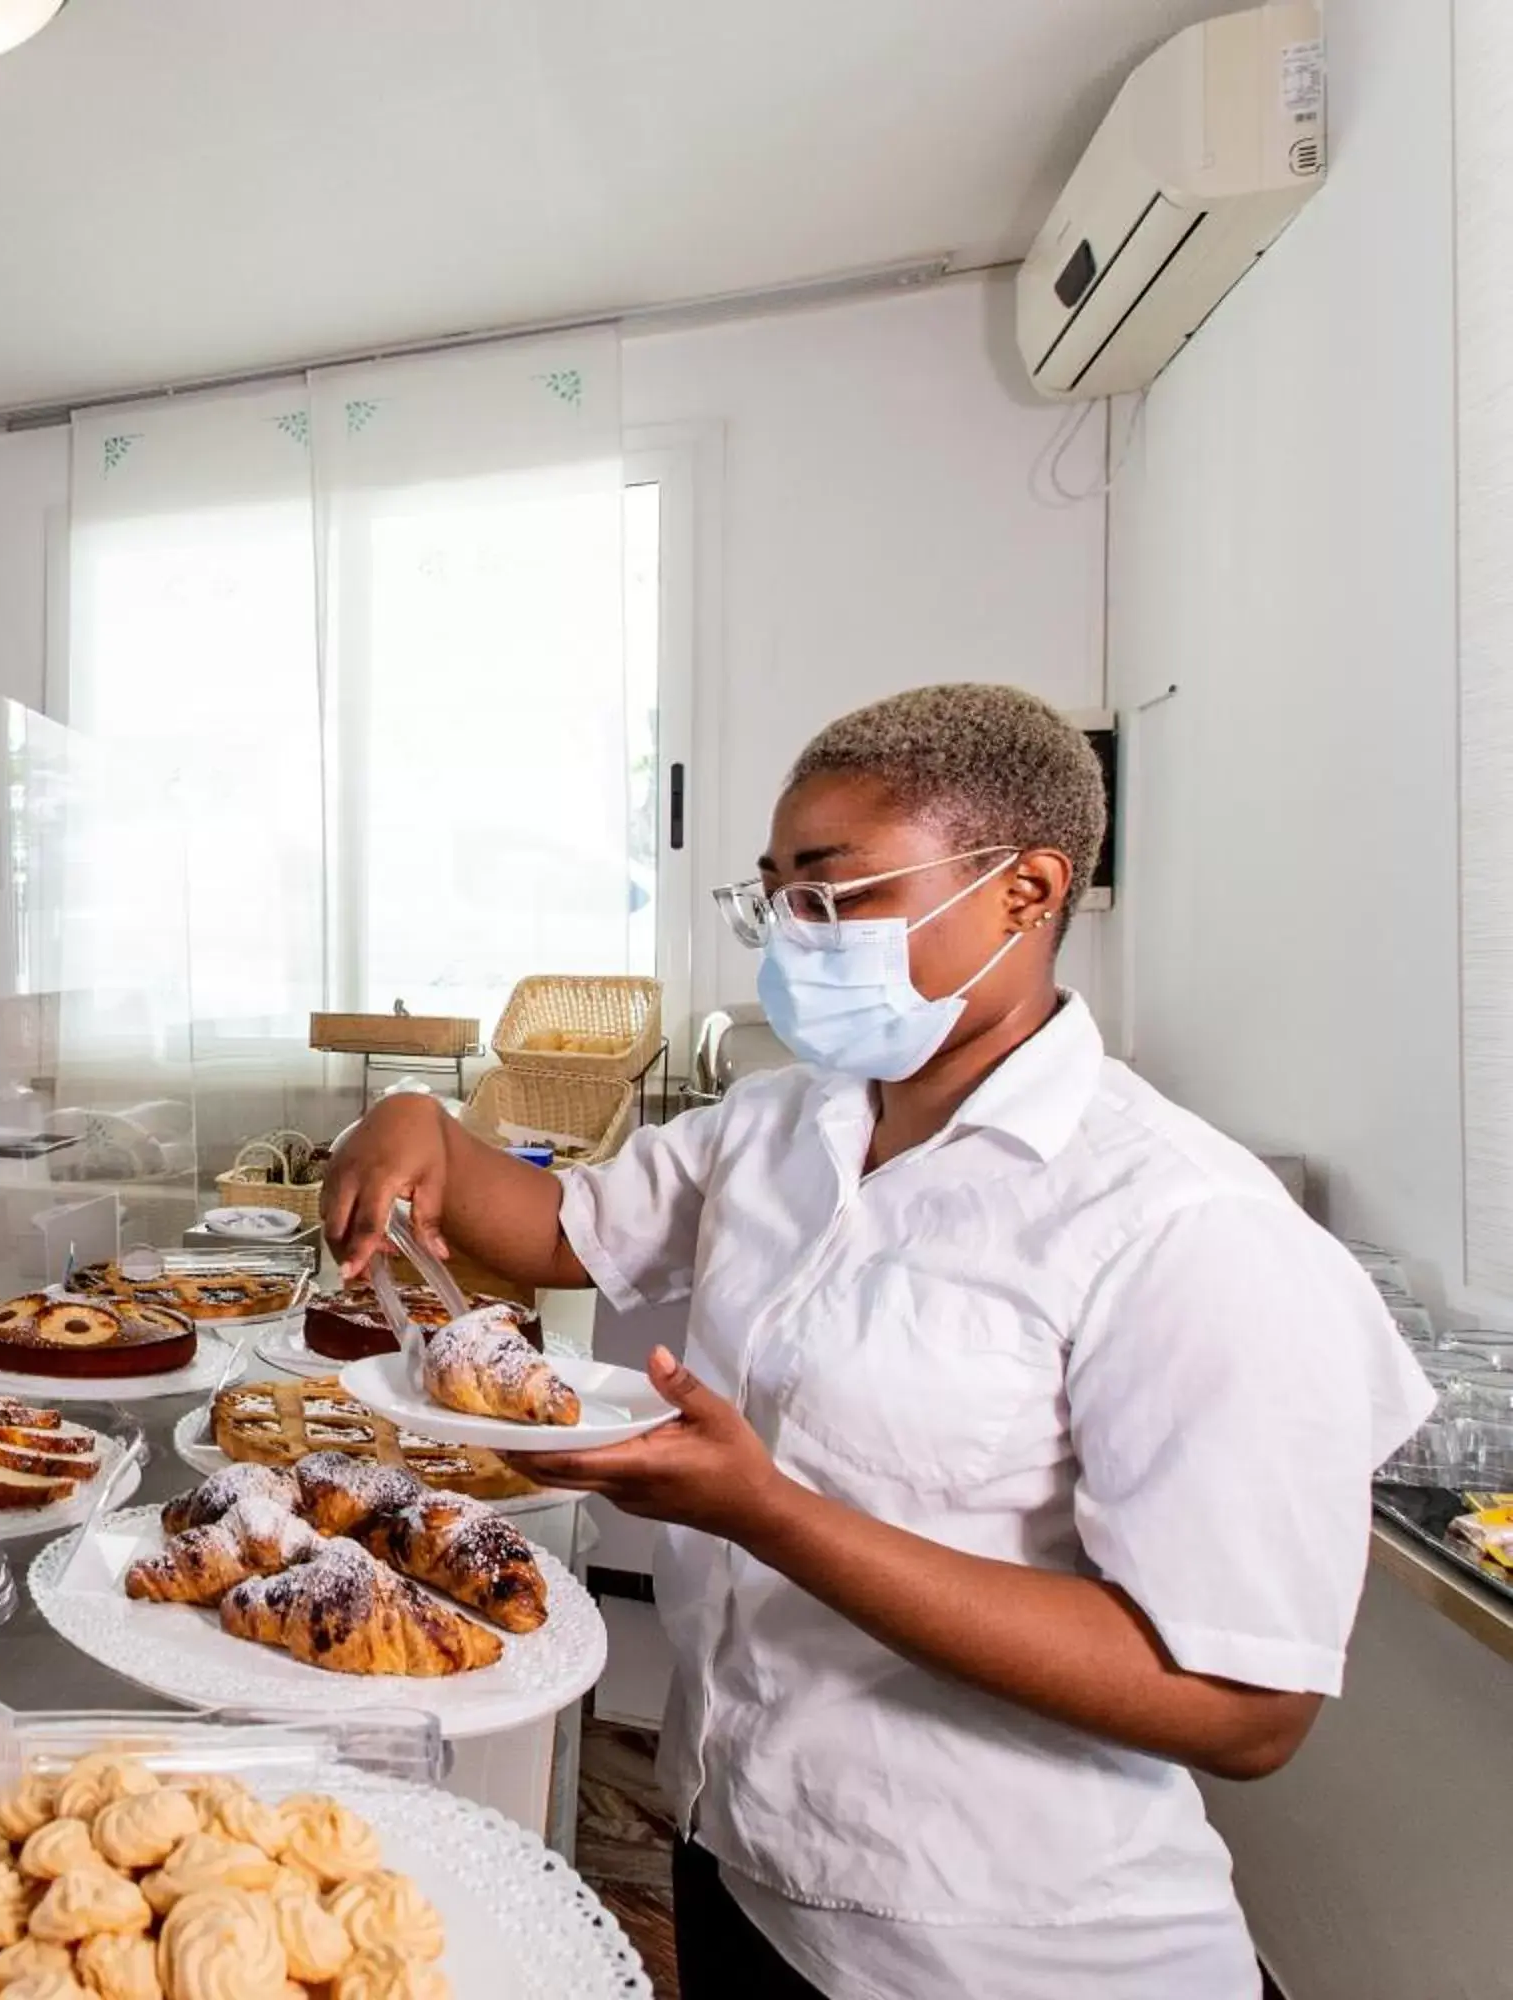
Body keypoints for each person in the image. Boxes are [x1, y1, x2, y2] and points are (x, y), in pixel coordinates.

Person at [323, 684, 1431, 2000]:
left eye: (840, 896)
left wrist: (766, 1511)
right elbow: (559, 1229)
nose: (797, 939)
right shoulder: (787, 1123)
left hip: (992, 1947)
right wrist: (417, 1127)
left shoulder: (1183, 1224)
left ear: (1027, 891)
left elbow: (1242, 1705)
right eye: (777, 898)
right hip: (737, 1861)